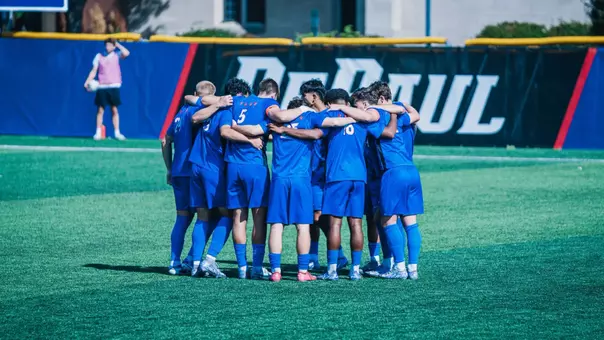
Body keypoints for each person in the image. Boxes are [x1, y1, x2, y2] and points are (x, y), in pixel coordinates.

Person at [268, 79, 349, 272]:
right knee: (312, 217)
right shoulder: (309, 116)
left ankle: (338, 255)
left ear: (313, 96)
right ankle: (315, 257)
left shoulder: (323, 116)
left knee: (319, 217)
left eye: (305, 95)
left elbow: (316, 135)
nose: (303, 99)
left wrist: (284, 130)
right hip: (307, 174)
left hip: (323, 174)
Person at [185, 79, 263, 278]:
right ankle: (209, 259)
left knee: (203, 217)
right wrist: (251, 140)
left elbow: (194, 114)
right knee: (229, 215)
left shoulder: (211, 107)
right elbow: (225, 132)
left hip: (195, 165)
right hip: (214, 168)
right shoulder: (225, 110)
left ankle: (193, 264)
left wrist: (216, 102)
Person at [161, 80, 219, 275]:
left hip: (177, 171)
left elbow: (165, 141)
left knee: (182, 218)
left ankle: (174, 262)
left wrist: (169, 168)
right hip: (194, 170)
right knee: (209, 216)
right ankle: (192, 258)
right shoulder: (199, 109)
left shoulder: (179, 114)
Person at [221, 78, 276, 280]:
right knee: (259, 218)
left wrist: (235, 126)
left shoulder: (230, 103)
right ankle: (257, 267)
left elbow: (224, 130)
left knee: (238, 217)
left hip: (233, 166)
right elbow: (261, 131)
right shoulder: (267, 104)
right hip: (255, 167)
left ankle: (242, 267)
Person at [84, 38, 130, 141]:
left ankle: (117, 133)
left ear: (113, 47)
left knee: (114, 109)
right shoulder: (99, 56)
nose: (107, 47)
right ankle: (98, 132)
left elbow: (126, 53)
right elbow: (94, 70)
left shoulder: (117, 55)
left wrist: (117, 44)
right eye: (106, 45)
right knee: (100, 110)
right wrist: (87, 81)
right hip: (102, 86)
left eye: (110, 45)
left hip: (114, 86)